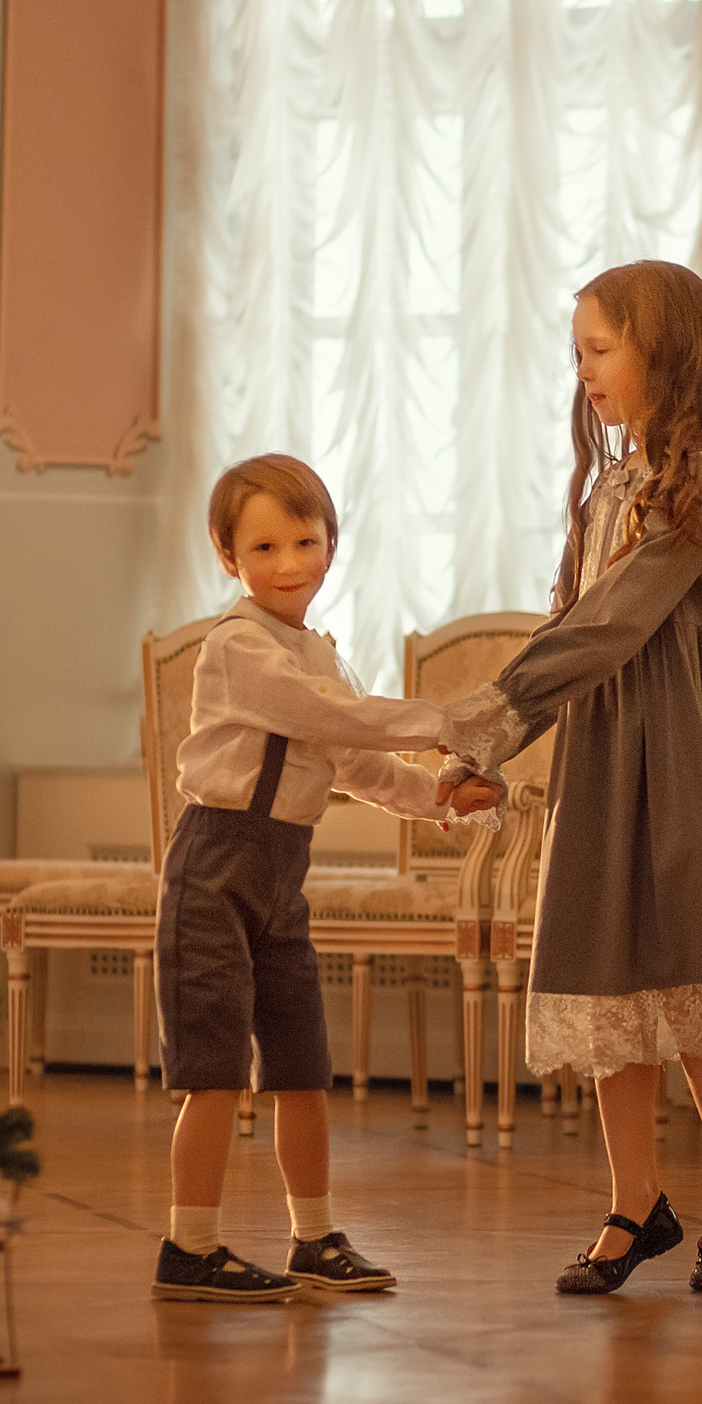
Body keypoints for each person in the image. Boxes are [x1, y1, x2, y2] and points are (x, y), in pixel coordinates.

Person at [437, 261, 702, 1296]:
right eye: (575, 351)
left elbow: (619, 619)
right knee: (606, 972)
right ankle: (634, 1203)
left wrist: (491, 721)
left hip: (688, 745)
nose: (580, 370)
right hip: (605, 739)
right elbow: (573, 620)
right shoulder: (609, 482)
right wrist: (486, 742)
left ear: (661, 353)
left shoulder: (697, 479)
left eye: (598, 349)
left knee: (691, 973)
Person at [154, 454, 502, 1302]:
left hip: (282, 874)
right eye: (263, 547)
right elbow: (334, 717)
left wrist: (444, 798)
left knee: (303, 1065)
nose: (287, 564)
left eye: (305, 541)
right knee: (214, 1070)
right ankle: (188, 1245)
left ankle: (314, 1236)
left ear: (331, 543)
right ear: (227, 556)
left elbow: (352, 762)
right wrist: (448, 720)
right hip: (214, 868)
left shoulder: (318, 651)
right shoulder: (239, 648)